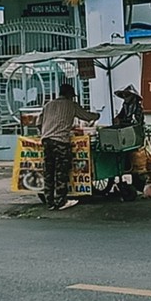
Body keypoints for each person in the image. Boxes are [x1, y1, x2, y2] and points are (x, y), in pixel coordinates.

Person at [37, 83, 99, 211]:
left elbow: (38, 123)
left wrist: (45, 132)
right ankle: (61, 201)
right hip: (60, 142)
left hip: (46, 141)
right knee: (61, 172)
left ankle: (49, 202)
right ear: (70, 95)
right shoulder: (71, 105)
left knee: (49, 172)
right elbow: (86, 116)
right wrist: (97, 115)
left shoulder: (48, 105)